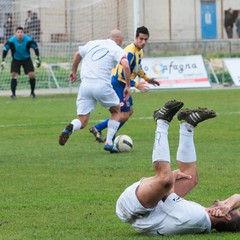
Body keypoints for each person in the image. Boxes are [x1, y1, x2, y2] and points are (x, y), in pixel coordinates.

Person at [116, 100, 240, 235]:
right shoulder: (205, 220)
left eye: (228, 207)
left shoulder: (196, 217)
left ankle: (161, 121)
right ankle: (188, 125)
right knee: (190, 177)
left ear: (226, 216)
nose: (223, 202)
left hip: (133, 208)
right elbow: (237, 197)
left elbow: (168, 194)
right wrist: (227, 207)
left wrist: (174, 176)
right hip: (150, 210)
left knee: (166, 180)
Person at [58, 29, 131, 153]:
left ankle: (71, 126)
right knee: (116, 111)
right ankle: (109, 142)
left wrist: (74, 71)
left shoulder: (93, 43)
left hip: (85, 85)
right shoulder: (117, 49)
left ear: (108, 36)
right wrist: (128, 86)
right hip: (102, 85)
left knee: (82, 120)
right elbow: (126, 66)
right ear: (120, 40)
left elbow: (77, 54)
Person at [89, 26, 159, 143]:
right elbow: (122, 75)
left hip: (123, 84)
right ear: (136, 38)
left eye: (146, 39)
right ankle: (100, 130)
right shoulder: (130, 52)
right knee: (123, 114)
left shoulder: (139, 51)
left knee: (129, 111)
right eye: (141, 39)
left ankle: (106, 132)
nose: (143, 42)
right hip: (118, 83)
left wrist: (147, 78)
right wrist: (137, 85)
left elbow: (137, 67)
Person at [0, 26, 41, 99]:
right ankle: (13, 94)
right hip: (16, 59)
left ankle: (32, 93)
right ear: (15, 33)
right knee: (14, 75)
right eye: (18, 32)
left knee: (32, 75)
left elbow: (35, 47)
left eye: (21, 32)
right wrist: (3, 60)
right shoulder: (11, 41)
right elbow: (5, 49)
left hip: (26, 59)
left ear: (23, 33)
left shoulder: (28, 40)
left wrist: (37, 57)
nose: (20, 34)